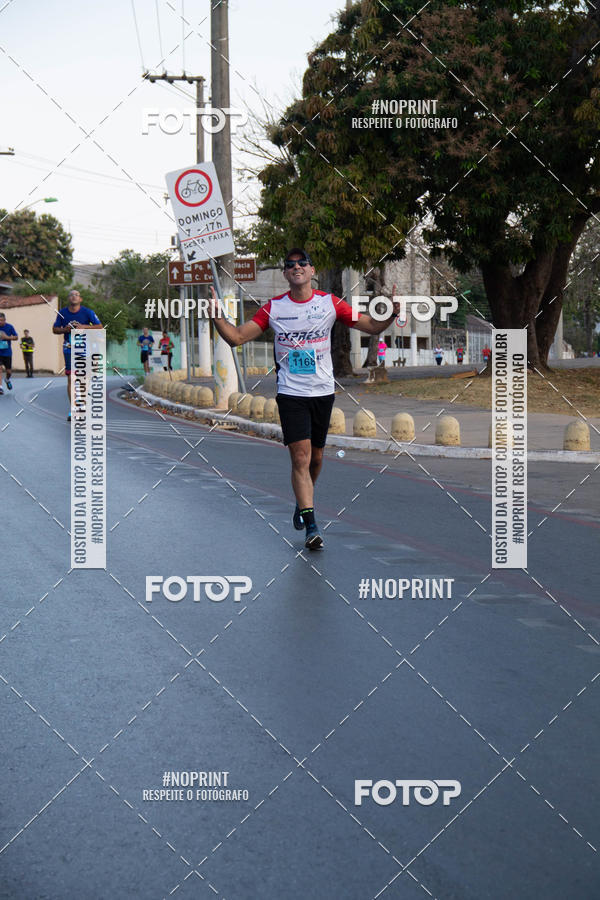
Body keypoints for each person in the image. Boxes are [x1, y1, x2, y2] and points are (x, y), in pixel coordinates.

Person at [208, 248, 400, 550]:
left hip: (322, 391)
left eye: (302, 263)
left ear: (312, 272)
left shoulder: (329, 303)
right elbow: (237, 337)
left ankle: (302, 501)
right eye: (290, 265)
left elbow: (370, 326)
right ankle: (311, 525)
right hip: (290, 393)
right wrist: (216, 316)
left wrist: (391, 314)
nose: (296, 267)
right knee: (300, 457)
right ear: (285, 274)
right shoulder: (273, 308)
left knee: (318, 458)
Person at [52, 290, 103, 421]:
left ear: (80, 299)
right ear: (68, 298)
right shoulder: (62, 313)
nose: (74, 296)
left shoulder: (87, 312)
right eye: (71, 295)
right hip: (69, 348)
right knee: (71, 379)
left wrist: (84, 327)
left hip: (85, 349)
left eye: (76, 295)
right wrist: (65, 329)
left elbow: (100, 326)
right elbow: (55, 329)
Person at [0, 313, 18, 393]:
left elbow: (16, 337)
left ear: (5, 320)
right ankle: (0, 387)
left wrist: (6, 337)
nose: (0, 322)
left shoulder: (9, 327)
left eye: (1, 320)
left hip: (7, 353)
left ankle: (7, 379)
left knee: (9, 372)